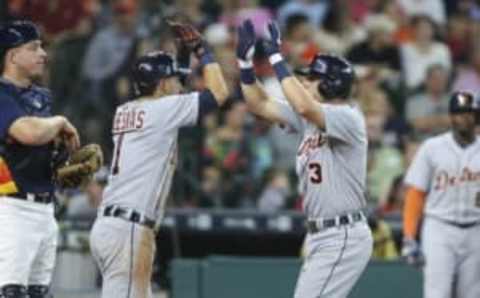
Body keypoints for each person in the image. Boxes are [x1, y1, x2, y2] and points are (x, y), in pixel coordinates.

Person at [89, 23, 228, 297]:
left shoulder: (125, 110)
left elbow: (174, 98)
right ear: (162, 84)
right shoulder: (163, 110)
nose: (179, 84)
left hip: (110, 226)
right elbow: (219, 94)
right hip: (130, 230)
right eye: (174, 79)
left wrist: (182, 57)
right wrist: (203, 51)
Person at [236, 19, 372, 298]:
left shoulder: (348, 117)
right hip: (321, 234)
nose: (305, 82)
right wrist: (245, 65)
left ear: (331, 85)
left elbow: (301, 104)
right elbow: (258, 104)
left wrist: (276, 57)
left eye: (312, 78)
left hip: (342, 232)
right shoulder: (309, 120)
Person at [0, 20, 80, 298]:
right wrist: (60, 122)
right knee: (11, 293)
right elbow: (28, 133)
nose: (43, 53)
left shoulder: (40, 97)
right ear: (12, 56)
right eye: (33, 47)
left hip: (45, 209)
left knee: (39, 294)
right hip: (10, 209)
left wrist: (63, 160)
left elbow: (41, 146)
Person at [402, 91, 480, 298]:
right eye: (459, 113)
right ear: (450, 116)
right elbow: (415, 193)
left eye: (469, 113)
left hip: (476, 230)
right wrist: (409, 236)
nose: (464, 117)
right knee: (437, 293)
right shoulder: (432, 148)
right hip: (440, 229)